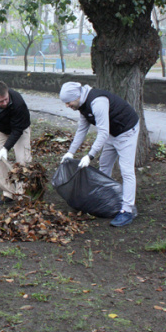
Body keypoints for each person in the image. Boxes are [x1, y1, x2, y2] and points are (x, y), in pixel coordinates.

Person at [59, 82, 140, 227]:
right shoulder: (82, 105)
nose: (67, 105)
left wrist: (90, 155)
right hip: (112, 132)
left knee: (126, 170)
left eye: (68, 102)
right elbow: (82, 130)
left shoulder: (97, 102)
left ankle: (127, 211)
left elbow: (102, 132)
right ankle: (106, 199)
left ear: (76, 97)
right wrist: (70, 152)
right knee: (104, 164)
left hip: (126, 131)